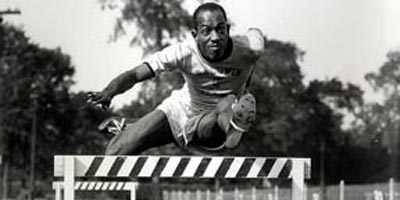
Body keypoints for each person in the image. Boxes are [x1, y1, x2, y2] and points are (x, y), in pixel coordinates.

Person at [86, 2, 265, 155]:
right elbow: (136, 74)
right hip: (179, 111)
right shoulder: (183, 52)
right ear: (195, 35)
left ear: (227, 29)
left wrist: (246, 82)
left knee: (228, 102)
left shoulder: (249, 49)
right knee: (114, 152)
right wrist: (110, 91)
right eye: (206, 31)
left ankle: (234, 126)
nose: (215, 38)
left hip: (213, 124)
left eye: (220, 30)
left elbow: (256, 34)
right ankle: (133, 126)